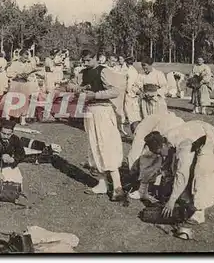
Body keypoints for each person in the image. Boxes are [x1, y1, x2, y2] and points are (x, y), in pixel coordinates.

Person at [142, 120, 214, 224]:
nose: (161, 156)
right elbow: (169, 161)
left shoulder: (183, 145)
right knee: (176, 166)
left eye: (159, 153)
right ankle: (185, 197)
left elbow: (182, 174)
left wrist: (171, 201)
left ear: (163, 146)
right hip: (196, 132)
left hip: (209, 138)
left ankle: (199, 212)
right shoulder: (165, 138)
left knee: (201, 174)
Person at [78, 50, 124, 200]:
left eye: (88, 60)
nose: (85, 63)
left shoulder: (104, 71)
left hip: (103, 111)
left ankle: (117, 187)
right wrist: (78, 90)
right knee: (94, 145)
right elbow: (80, 87)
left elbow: (115, 91)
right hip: (90, 111)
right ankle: (102, 183)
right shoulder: (83, 72)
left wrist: (96, 95)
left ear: (96, 58)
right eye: (83, 60)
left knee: (107, 145)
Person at [126, 112, 185, 201]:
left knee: (149, 157)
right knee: (174, 160)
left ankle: (144, 190)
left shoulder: (141, 129)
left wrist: (133, 173)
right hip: (181, 126)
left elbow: (134, 153)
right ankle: (171, 187)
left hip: (172, 132)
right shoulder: (152, 120)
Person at [5, 50, 35, 125]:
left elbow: (32, 75)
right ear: (20, 56)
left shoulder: (29, 64)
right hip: (16, 83)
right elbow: (9, 73)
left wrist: (27, 76)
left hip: (24, 84)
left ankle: (23, 120)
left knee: (24, 101)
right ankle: (8, 118)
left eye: (26, 58)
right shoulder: (14, 63)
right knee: (13, 100)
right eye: (24, 57)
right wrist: (16, 75)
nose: (26, 59)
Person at [124, 57, 142, 133]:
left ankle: (136, 133)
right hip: (132, 95)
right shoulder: (133, 71)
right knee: (134, 115)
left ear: (126, 63)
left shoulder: (130, 71)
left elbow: (130, 84)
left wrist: (128, 91)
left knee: (133, 116)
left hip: (131, 95)